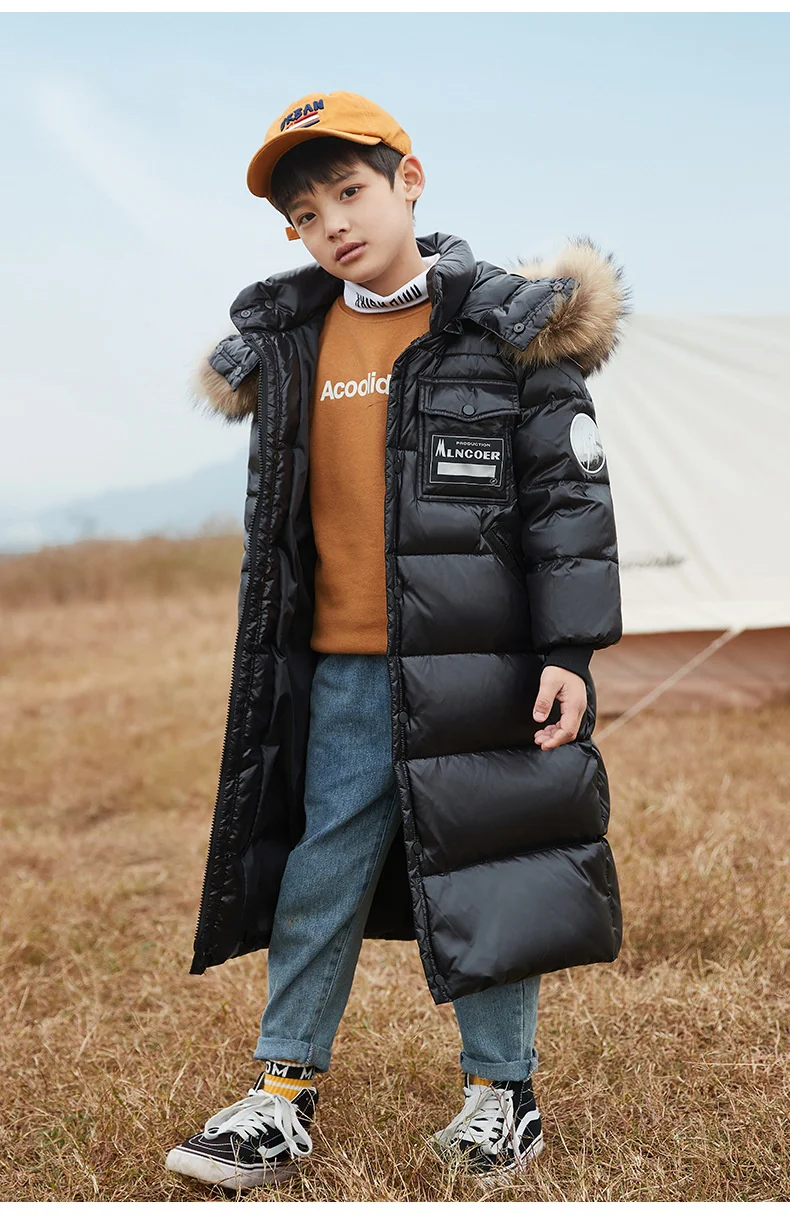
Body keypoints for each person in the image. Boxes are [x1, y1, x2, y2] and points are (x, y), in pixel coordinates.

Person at [166, 89, 631, 1193]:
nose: (332, 221)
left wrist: (568, 653)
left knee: (489, 869)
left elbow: (569, 502)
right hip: (340, 670)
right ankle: (282, 1094)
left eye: (350, 190)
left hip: (483, 665)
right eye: (305, 211)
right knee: (318, 869)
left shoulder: (506, 325)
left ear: (408, 181)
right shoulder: (286, 343)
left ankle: (501, 1095)